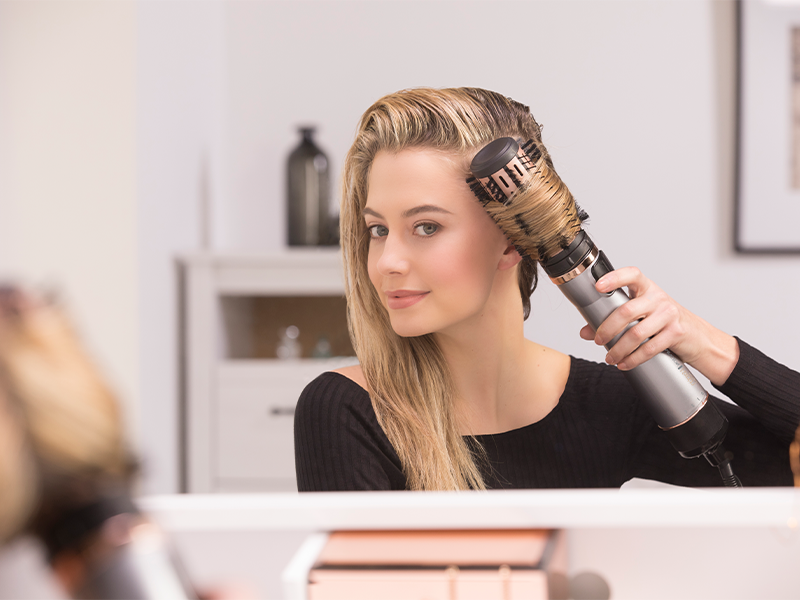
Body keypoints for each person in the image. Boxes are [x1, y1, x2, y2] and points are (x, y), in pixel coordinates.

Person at [293, 87, 800, 492]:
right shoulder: (347, 412)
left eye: (426, 227)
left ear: (513, 241)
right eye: (378, 229)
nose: (386, 262)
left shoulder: (605, 405)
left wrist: (707, 345)